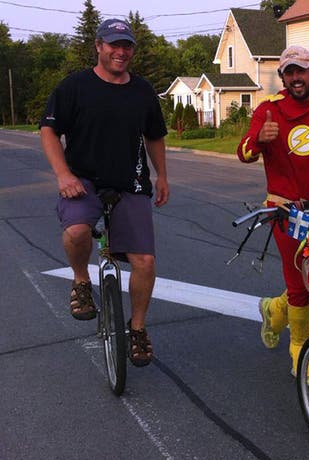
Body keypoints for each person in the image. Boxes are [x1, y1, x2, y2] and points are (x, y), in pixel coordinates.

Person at [39, 18, 169, 367]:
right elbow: (49, 131)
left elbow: (154, 135)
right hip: (83, 180)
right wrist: (63, 174)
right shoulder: (75, 87)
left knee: (145, 261)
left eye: (127, 45)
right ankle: (81, 282)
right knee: (78, 230)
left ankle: (137, 329)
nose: (120, 51)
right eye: (114, 44)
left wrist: (163, 177)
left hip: (132, 182)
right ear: (98, 46)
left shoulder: (142, 91)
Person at [237, 45, 309, 381]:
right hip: (284, 210)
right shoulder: (268, 109)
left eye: (301, 71)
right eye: (289, 72)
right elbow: (243, 153)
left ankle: (273, 310)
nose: (296, 78)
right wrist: (258, 138)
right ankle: (301, 351)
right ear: (283, 77)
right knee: (300, 280)